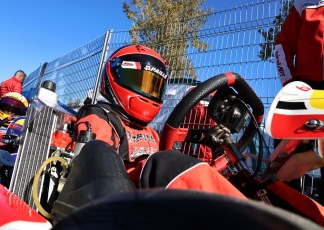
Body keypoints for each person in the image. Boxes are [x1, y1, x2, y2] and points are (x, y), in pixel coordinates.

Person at [51, 45, 248, 223]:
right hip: (117, 201)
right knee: (165, 164)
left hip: (151, 201)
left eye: (154, 86)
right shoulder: (100, 117)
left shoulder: (151, 132)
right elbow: (94, 163)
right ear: (116, 75)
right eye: (139, 81)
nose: (148, 92)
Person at [274, 0, 324, 204]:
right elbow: (282, 44)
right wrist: (291, 85)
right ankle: (282, 212)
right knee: (285, 157)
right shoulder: (304, 4)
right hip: (305, 89)